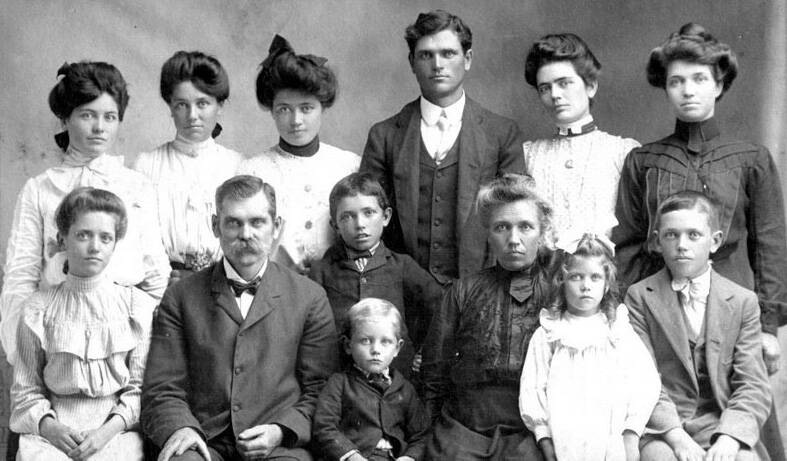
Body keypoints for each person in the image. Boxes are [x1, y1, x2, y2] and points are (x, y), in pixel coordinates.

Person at [612, 24, 786, 460]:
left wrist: (767, 325)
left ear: (719, 83)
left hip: (732, 314)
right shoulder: (644, 160)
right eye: (676, 81)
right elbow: (630, 245)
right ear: (665, 88)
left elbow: (771, 245)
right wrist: (631, 317)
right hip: (660, 313)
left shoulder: (751, 159)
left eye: (699, 79)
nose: (688, 91)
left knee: (741, 425)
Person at [141, 175, 338, 461]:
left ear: (276, 227)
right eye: (233, 222)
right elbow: (162, 387)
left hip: (279, 445)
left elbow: (321, 388)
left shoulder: (309, 297)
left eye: (257, 222)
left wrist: (281, 430)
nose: (246, 234)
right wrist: (182, 428)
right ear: (215, 226)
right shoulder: (181, 296)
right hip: (205, 439)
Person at [0, 61, 169, 367]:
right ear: (65, 119)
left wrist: (150, 345)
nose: (99, 127)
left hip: (126, 339)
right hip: (57, 340)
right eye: (87, 115)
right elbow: (20, 276)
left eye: (110, 117)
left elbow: (156, 275)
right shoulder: (40, 188)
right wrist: (22, 352)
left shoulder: (137, 186)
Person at [360, 10, 525, 285]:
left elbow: (515, 219)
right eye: (426, 55)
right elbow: (370, 220)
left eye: (448, 53)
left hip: (482, 289)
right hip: (404, 295)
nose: (437, 64)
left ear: (467, 59)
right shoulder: (385, 135)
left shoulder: (501, 133)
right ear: (412, 63)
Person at [625, 191, 772, 461]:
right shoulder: (640, 296)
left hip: (720, 422)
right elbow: (640, 380)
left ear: (714, 241)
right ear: (658, 241)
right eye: (671, 235)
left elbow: (752, 383)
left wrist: (730, 437)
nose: (682, 245)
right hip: (663, 426)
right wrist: (676, 437)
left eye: (693, 235)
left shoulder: (742, 301)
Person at [10, 187, 154, 461]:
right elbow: (26, 389)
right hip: (51, 434)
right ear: (63, 239)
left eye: (106, 237)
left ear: (115, 243)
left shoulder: (137, 307)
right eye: (83, 235)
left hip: (116, 432)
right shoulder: (37, 309)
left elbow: (140, 389)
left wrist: (105, 433)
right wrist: (51, 428)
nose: (95, 247)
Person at [421, 174, 556, 459]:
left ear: (542, 231)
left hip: (535, 428)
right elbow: (434, 371)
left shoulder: (561, 288)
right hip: (465, 425)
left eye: (525, 227)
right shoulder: (464, 290)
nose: (514, 239)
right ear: (488, 233)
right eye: (501, 227)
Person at [519, 233, 659, 461]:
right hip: (564, 436)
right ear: (561, 283)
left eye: (595, 278)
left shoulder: (617, 330)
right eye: (576, 277)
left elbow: (645, 381)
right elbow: (533, 385)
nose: (586, 286)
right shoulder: (549, 332)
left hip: (610, 434)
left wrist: (631, 431)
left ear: (606, 286)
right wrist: (543, 437)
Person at [238, 35, 359, 274]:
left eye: (306, 108)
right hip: (274, 289)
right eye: (284, 109)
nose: (296, 121)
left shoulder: (348, 165)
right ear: (271, 110)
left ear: (322, 107)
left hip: (338, 289)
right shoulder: (253, 171)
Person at [309, 172, 443, 378]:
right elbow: (309, 325)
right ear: (335, 225)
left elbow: (440, 306)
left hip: (398, 374)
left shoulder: (402, 265)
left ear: (386, 216)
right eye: (347, 216)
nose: (360, 224)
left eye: (369, 212)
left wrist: (425, 350)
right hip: (341, 375)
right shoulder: (322, 270)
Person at [134, 50, 244, 283]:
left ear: (220, 105)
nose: (192, 115)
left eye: (202, 103)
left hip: (225, 286)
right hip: (164, 286)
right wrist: (168, 281)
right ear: (170, 107)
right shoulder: (146, 165)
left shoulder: (237, 165)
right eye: (182, 105)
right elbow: (141, 239)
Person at [522, 33, 639, 244]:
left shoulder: (623, 152)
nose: (555, 94)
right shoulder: (529, 155)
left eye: (564, 83)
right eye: (545, 88)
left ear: (591, 86)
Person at [312, 298, 430, 461]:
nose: (376, 350)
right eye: (365, 341)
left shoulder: (405, 389)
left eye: (386, 342)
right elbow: (324, 427)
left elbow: (421, 435)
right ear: (348, 345)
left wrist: (410, 457)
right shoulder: (339, 384)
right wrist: (351, 456)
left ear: (397, 348)